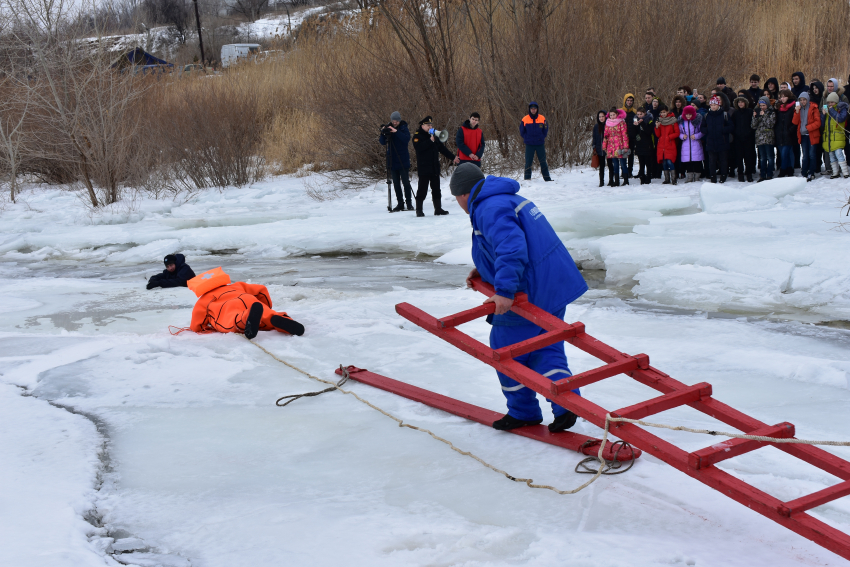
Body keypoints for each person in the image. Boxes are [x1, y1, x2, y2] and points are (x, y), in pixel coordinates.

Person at [448, 163, 587, 432]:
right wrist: (485, 270)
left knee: (505, 351)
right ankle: (566, 405)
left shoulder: (488, 208)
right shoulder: (506, 198)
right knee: (546, 346)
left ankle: (523, 412)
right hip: (554, 287)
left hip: (531, 291)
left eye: (456, 198)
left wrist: (504, 292)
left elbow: (511, 249)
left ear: (463, 194)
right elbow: (508, 246)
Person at [187, 268, 304, 339]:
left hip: (226, 307)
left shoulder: (203, 300)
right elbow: (261, 290)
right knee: (268, 315)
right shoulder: (237, 285)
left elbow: (197, 324)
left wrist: (201, 328)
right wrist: (266, 306)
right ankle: (278, 318)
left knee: (235, 320)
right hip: (247, 298)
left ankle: (246, 319)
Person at [412, 116, 458, 217]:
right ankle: (419, 210)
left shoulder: (434, 136)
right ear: (422, 125)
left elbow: (442, 149)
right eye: (428, 125)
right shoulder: (417, 136)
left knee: (436, 189)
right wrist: (430, 141)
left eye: (431, 125)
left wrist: (453, 157)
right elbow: (419, 148)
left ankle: (438, 208)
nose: (430, 127)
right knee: (422, 189)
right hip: (424, 167)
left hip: (434, 167)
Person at [379, 111, 414, 212]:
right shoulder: (388, 128)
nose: (394, 122)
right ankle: (400, 204)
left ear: (399, 120)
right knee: (396, 184)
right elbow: (382, 142)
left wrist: (396, 131)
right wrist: (383, 132)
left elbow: (406, 139)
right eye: (393, 121)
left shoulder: (403, 128)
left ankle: (409, 203)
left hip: (403, 160)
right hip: (392, 161)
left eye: (396, 121)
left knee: (406, 183)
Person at [703, 96, 733, 183]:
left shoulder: (725, 114)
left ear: (718, 105)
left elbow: (731, 126)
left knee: (723, 160)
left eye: (715, 105)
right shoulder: (707, 115)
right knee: (712, 161)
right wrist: (707, 130)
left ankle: (723, 175)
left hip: (722, 141)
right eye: (711, 105)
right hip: (710, 141)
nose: (713, 106)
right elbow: (702, 127)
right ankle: (713, 176)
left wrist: (723, 130)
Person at [792, 91, 821, 182]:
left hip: (812, 134)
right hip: (803, 135)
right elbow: (795, 122)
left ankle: (811, 172)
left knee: (812, 155)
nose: (803, 102)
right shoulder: (799, 109)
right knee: (805, 155)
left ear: (807, 99)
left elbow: (818, 122)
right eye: (801, 100)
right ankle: (804, 172)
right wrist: (796, 112)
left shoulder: (813, 108)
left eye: (804, 100)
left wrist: (808, 128)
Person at [520, 102, 551, 181]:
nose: (533, 110)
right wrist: (527, 138)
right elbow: (522, 131)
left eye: (535, 109)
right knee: (528, 162)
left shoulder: (542, 118)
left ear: (537, 109)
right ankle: (527, 179)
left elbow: (545, 130)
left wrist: (542, 137)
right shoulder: (525, 119)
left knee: (543, 161)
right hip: (529, 144)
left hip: (540, 143)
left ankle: (547, 178)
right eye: (532, 109)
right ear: (529, 109)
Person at [822, 92, 849, 178]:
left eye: (832, 102)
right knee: (831, 156)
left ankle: (845, 172)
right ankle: (835, 172)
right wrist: (823, 115)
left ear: (836, 102)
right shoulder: (827, 110)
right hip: (829, 136)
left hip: (837, 136)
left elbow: (840, 118)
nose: (830, 104)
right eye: (829, 102)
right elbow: (822, 124)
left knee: (839, 154)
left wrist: (831, 110)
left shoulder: (841, 108)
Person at [731, 96, 756, 183]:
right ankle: (740, 174)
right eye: (739, 102)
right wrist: (735, 134)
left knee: (748, 157)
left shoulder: (750, 111)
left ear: (745, 103)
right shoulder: (735, 113)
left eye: (742, 102)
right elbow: (733, 125)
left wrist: (750, 133)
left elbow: (753, 124)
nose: (740, 103)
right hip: (738, 139)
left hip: (748, 138)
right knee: (739, 157)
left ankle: (749, 174)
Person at [602, 107, 629, 186]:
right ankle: (616, 181)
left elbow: (625, 135)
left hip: (620, 145)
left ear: (617, 114)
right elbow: (606, 136)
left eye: (614, 115)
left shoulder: (622, 123)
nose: (612, 116)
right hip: (611, 146)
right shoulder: (608, 123)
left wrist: (626, 146)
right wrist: (604, 146)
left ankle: (626, 180)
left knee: (623, 163)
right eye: (611, 115)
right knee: (615, 164)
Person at [751, 96, 776, 182]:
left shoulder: (771, 112)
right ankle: (762, 174)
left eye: (763, 105)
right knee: (762, 158)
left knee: (770, 157)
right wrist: (755, 117)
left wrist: (764, 115)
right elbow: (753, 126)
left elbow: (770, 124)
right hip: (760, 139)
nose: (762, 107)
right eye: (760, 105)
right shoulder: (757, 112)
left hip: (768, 138)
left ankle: (769, 174)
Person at [774, 89, 798, 178]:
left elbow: (795, 120)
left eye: (784, 96)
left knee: (785, 154)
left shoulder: (793, 107)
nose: (782, 98)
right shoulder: (778, 108)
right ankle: (789, 169)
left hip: (788, 134)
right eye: (781, 97)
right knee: (782, 154)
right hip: (779, 134)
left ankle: (783, 170)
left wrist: (790, 130)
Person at [678, 105, 704, 183]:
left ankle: (697, 176)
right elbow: (679, 132)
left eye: (690, 114)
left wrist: (696, 136)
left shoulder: (698, 121)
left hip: (696, 143)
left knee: (697, 161)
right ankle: (689, 176)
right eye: (687, 114)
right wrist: (682, 136)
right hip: (686, 144)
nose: (688, 116)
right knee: (688, 161)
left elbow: (702, 131)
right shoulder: (681, 122)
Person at [655, 103, 679, 185]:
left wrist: (669, 137)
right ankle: (667, 178)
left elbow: (677, 133)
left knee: (670, 161)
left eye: (664, 112)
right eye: (661, 112)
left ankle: (673, 179)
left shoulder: (673, 121)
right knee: (664, 162)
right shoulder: (659, 121)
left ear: (667, 112)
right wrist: (657, 127)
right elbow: (658, 135)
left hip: (670, 144)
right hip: (662, 145)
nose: (663, 114)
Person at [633, 108, 656, 184]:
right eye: (638, 114)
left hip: (647, 144)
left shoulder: (649, 120)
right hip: (639, 144)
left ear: (645, 114)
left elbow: (648, 131)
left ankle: (648, 177)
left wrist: (642, 123)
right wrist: (635, 126)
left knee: (648, 163)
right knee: (641, 163)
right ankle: (642, 177)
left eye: (641, 114)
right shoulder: (636, 120)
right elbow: (635, 133)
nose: (639, 116)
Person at [592, 110, 609, 187]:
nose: (601, 118)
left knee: (610, 165)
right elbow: (594, 137)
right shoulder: (596, 126)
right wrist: (594, 146)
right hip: (599, 148)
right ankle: (601, 181)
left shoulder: (609, 125)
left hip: (609, 148)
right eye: (600, 117)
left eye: (603, 116)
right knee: (601, 166)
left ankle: (612, 180)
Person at [622, 93, 638, 175]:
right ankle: (623, 171)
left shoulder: (635, 112)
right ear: (625, 101)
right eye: (628, 100)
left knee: (631, 155)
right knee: (623, 154)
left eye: (631, 101)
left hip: (632, 137)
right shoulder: (621, 112)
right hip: (622, 138)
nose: (629, 102)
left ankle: (630, 171)